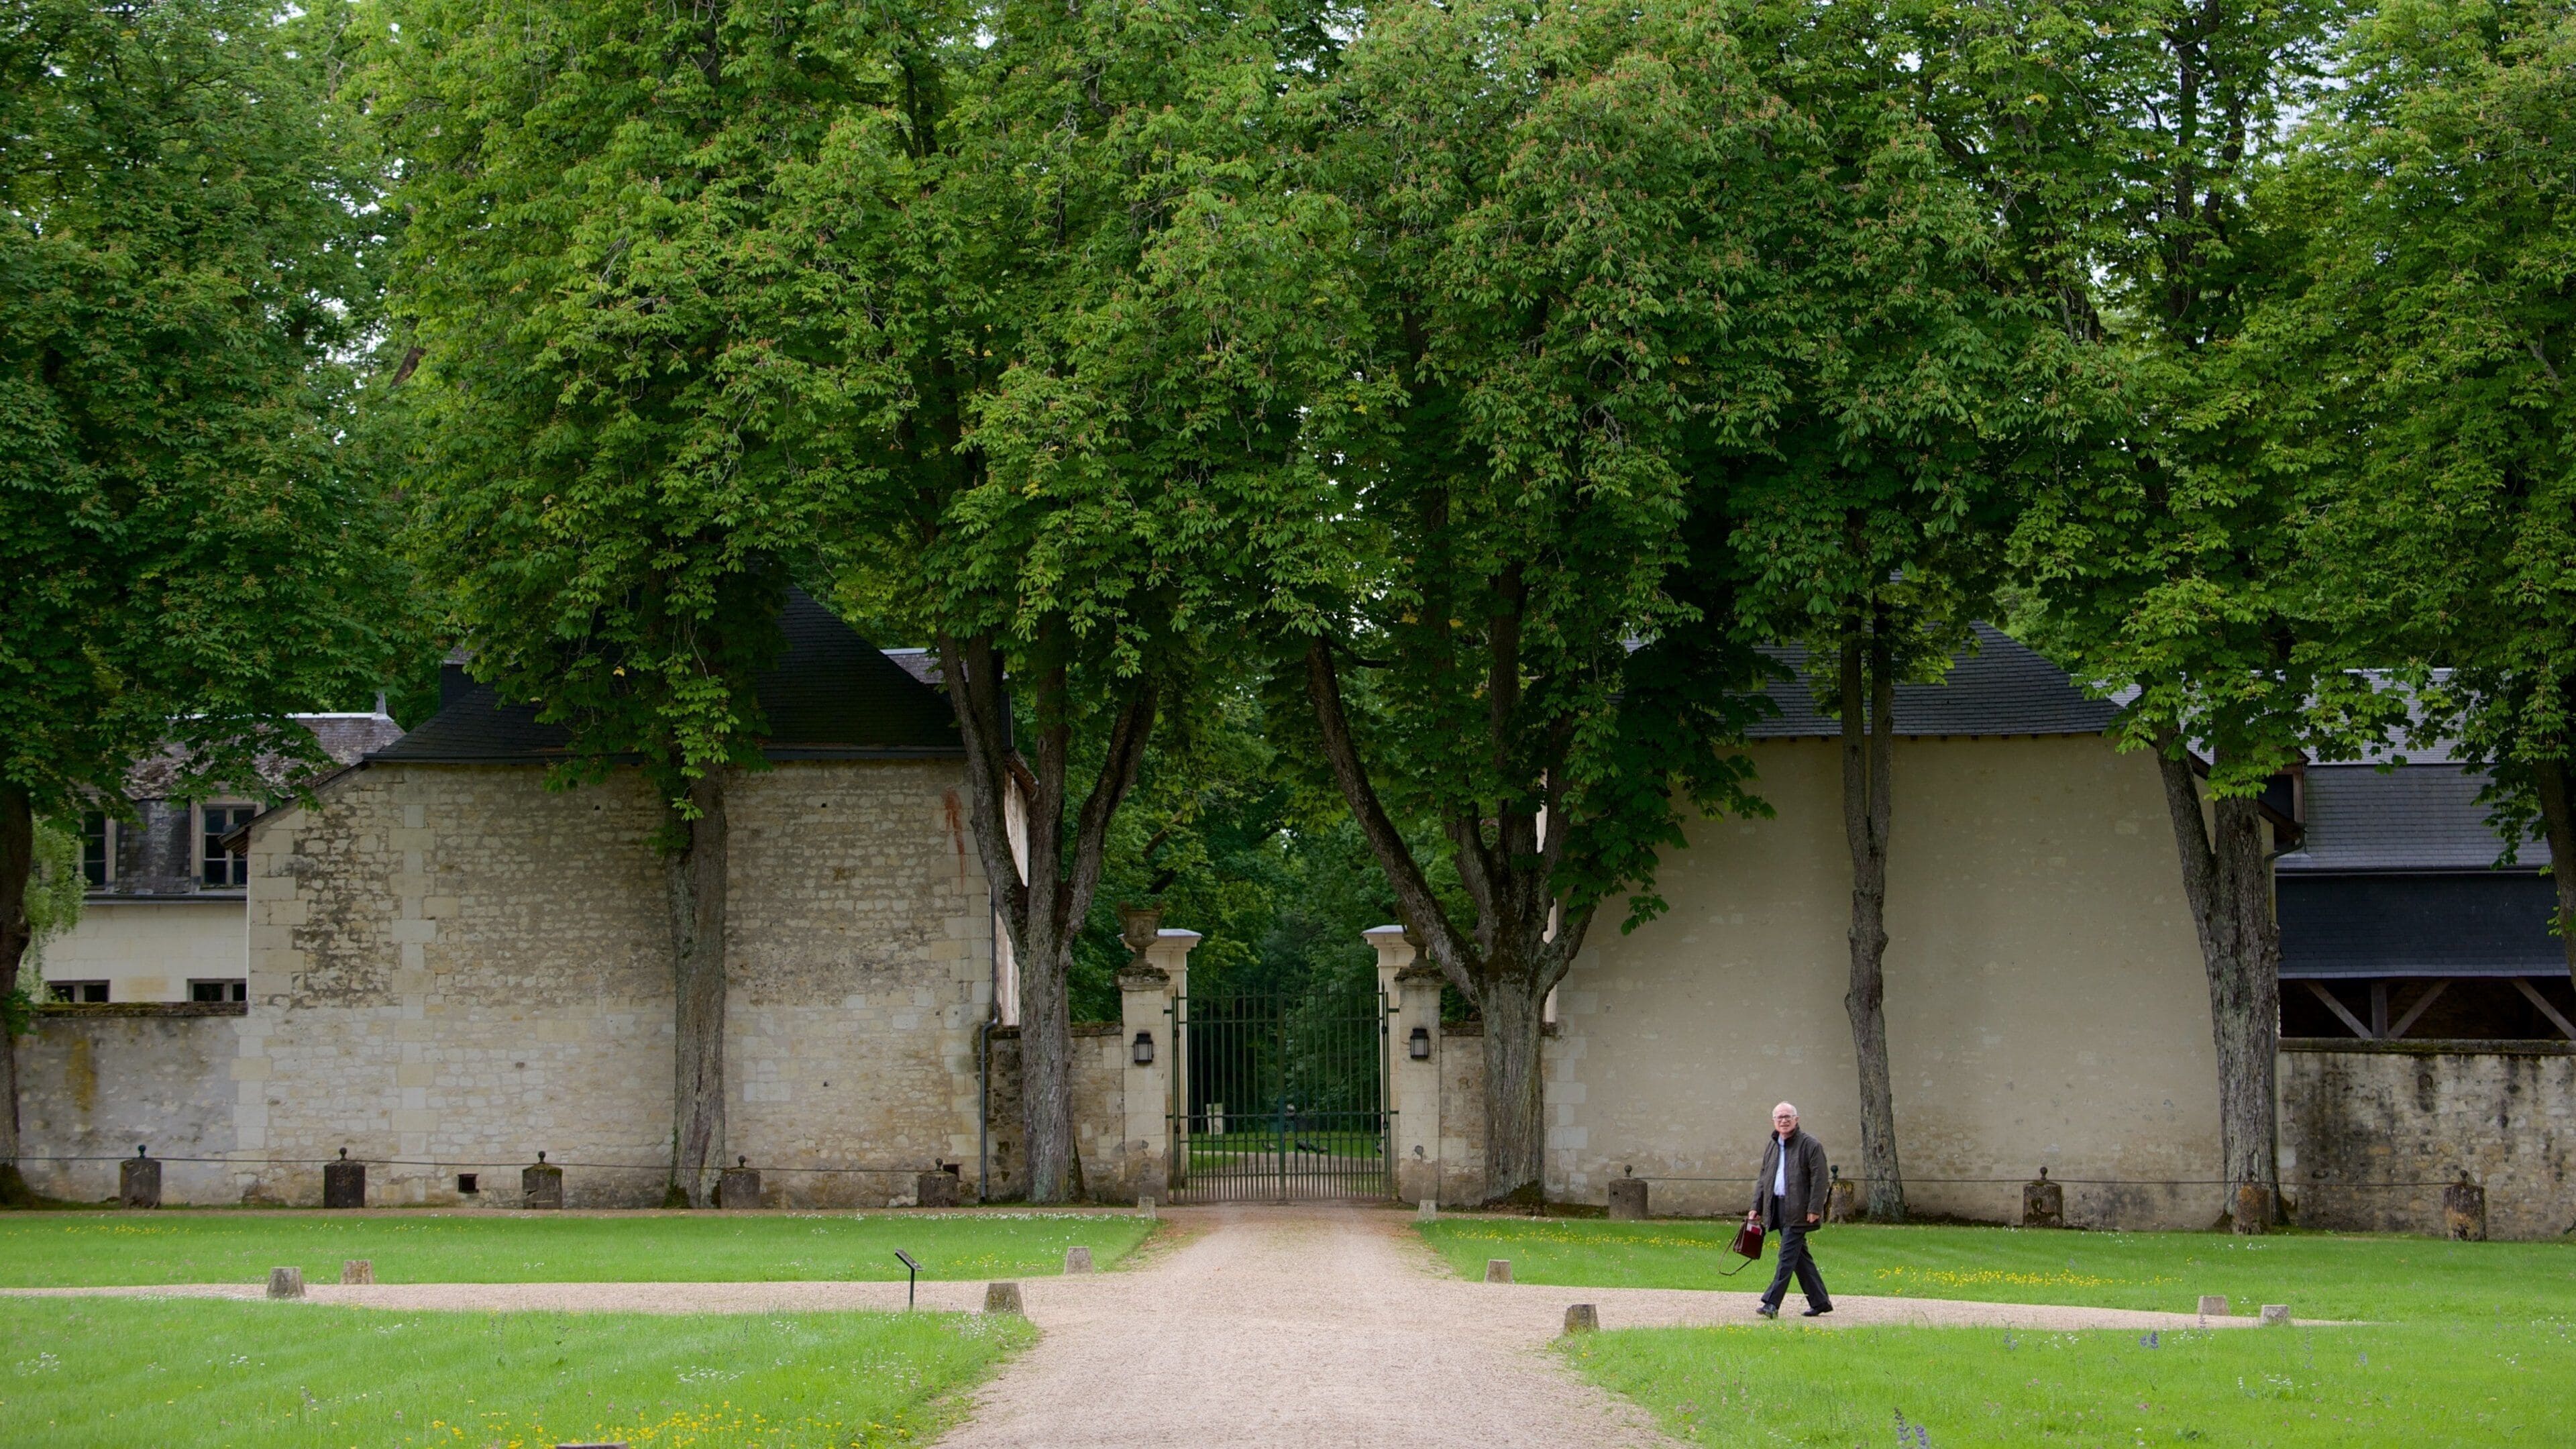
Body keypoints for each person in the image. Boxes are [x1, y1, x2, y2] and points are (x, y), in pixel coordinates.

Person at [1746, 1101, 1832, 1318]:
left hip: (1800, 1210)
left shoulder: (1810, 1145)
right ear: (1773, 1121)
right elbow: (1764, 1178)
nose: (1784, 1121)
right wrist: (1756, 1206)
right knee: (1799, 1257)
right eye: (1779, 1117)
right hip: (1778, 1207)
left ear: (1796, 1119)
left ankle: (1771, 1303)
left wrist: (1814, 1208)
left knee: (1786, 1257)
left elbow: (1820, 1179)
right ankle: (1820, 1301)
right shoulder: (1773, 1145)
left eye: (1788, 1117)